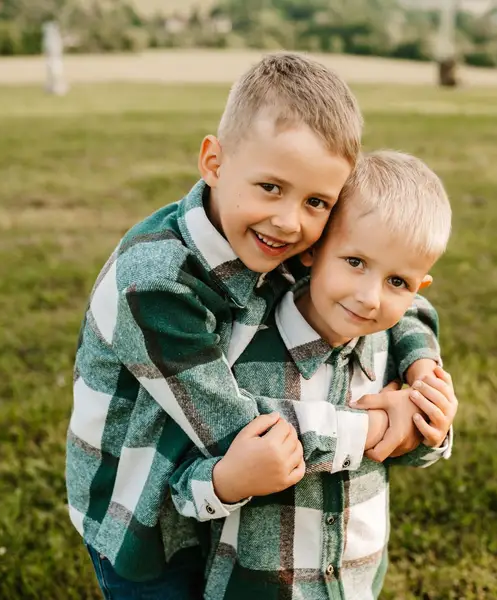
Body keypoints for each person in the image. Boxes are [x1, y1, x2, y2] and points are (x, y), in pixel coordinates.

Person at [65, 53, 450, 598]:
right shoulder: (153, 285)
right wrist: (382, 428)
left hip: (221, 496)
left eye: (317, 201)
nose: (290, 220)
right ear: (214, 162)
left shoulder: (275, 239)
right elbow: (242, 433)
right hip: (142, 512)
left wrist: (422, 369)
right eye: (271, 186)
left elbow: (395, 292)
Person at [171, 150, 457, 599]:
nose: (368, 298)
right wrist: (227, 481)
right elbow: (184, 482)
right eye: (355, 263)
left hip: (355, 586)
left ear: (418, 288)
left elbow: (403, 450)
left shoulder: (388, 353)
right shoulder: (244, 346)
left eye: (396, 282)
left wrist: (433, 430)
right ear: (313, 251)